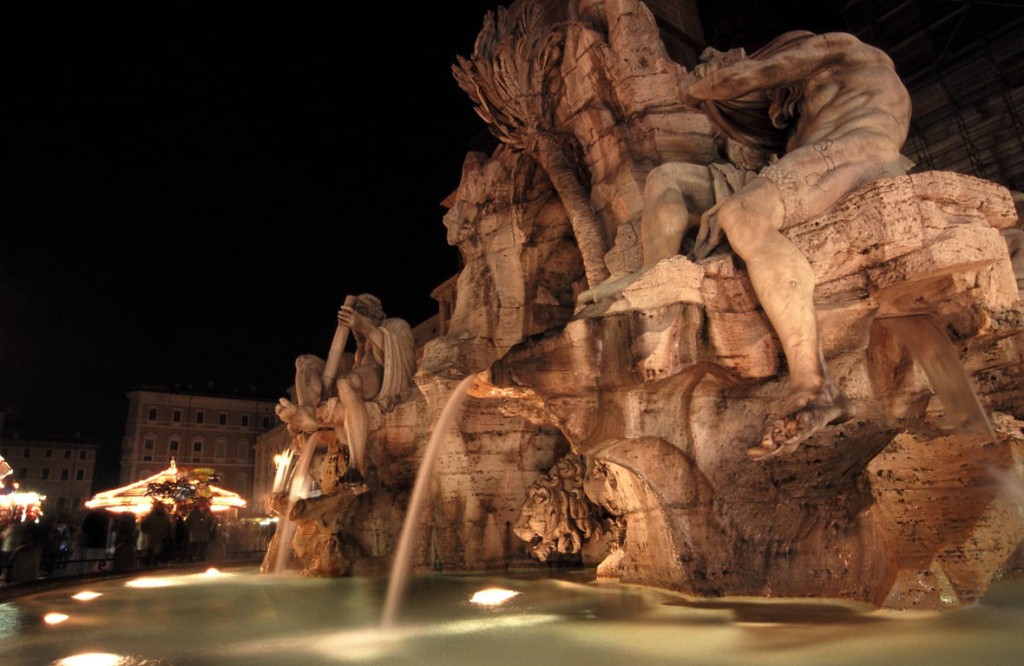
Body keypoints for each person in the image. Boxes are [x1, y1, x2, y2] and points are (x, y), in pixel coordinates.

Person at [680, 30, 913, 458]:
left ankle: (814, 381)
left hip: (861, 149)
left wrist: (691, 88)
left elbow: (755, 73)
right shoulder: (804, 123)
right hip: (856, 157)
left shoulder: (844, 48)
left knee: (744, 215)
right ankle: (815, 385)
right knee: (742, 213)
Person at [275, 293, 416, 484]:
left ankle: (356, 465)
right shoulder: (361, 344)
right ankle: (306, 410)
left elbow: (400, 358)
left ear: (372, 315)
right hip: (355, 383)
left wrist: (364, 327)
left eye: (357, 319)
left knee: (346, 382)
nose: (354, 331)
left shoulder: (395, 324)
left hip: (384, 380)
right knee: (304, 361)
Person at [139, 500, 174, 566]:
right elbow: (169, 527)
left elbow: (143, 527)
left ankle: (150, 565)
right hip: (157, 539)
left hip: (156, 539)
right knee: (154, 554)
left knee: (152, 554)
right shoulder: (164, 517)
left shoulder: (150, 517)